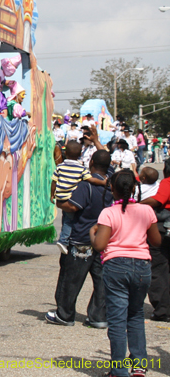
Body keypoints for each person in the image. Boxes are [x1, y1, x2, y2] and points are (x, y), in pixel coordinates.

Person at [91, 170, 161, 377]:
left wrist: (92, 233)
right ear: (133, 189)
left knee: (117, 319)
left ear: (111, 188)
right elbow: (156, 241)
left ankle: (119, 369)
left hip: (116, 266)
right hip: (141, 266)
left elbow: (100, 245)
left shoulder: (108, 213)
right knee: (136, 314)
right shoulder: (146, 210)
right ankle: (139, 365)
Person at [46, 149, 112, 328]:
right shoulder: (112, 184)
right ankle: (99, 317)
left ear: (91, 163)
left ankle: (65, 315)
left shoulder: (86, 186)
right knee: (101, 280)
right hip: (105, 240)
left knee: (71, 278)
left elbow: (73, 207)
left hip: (82, 238)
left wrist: (59, 202)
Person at [52, 140, 107, 254]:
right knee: (69, 220)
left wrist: (52, 195)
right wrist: (102, 183)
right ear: (80, 155)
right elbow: (90, 179)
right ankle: (64, 241)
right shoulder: (81, 169)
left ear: (65, 153)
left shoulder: (60, 167)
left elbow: (54, 181)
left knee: (66, 218)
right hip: (71, 197)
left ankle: (63, 239)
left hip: (61, 196)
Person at [141, 159, 170, 322]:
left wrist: (138, 205)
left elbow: (158, 199)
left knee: (158, 267)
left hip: (163, 227)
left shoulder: (167, 182)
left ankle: (163, 309)